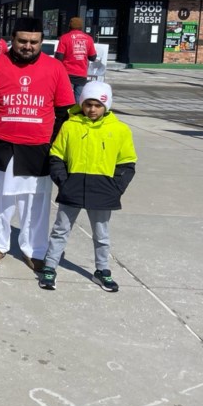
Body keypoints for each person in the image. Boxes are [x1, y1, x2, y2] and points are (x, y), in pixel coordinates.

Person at [0, 16, 75, 272]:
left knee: (34, 203)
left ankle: (34, 250)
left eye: (34, 42)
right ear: (12, 39)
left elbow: (63, 111)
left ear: (41, 42)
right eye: (22, 41)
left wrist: (54, 144)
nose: (28, 46)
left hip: (37, 147)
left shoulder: (55, 68)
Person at [39, 81, 136, 292]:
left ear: (106, 106)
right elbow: (57, 154)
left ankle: (102, 270)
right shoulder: (70, 126)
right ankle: (50, 266)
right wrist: (63, 181)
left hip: (103, 189)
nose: (92, 109)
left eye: (98, 105)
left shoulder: (119, 130)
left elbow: (127, 162)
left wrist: (116, 187)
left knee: (101, 235)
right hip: (72, 186)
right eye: (88, 104)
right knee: (60, 230)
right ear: (82, 103)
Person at [55, 17, 97, 103]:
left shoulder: (64, 38)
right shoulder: (88, 39)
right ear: (82, 27)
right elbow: (93, 57)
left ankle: (66, 115)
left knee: (65, 97)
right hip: (81, 73)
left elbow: (59, 57)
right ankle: (76, 115)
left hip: (66, 73)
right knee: (79, 97)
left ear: (69, 26)